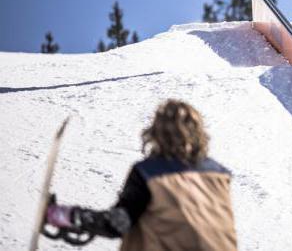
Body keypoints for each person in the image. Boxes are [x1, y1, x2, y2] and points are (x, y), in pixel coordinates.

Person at [44, 99, 238, 250]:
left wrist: (70, 215)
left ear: (156, 133)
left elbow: (118, 223)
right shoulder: (220, 175)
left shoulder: (149, 173)